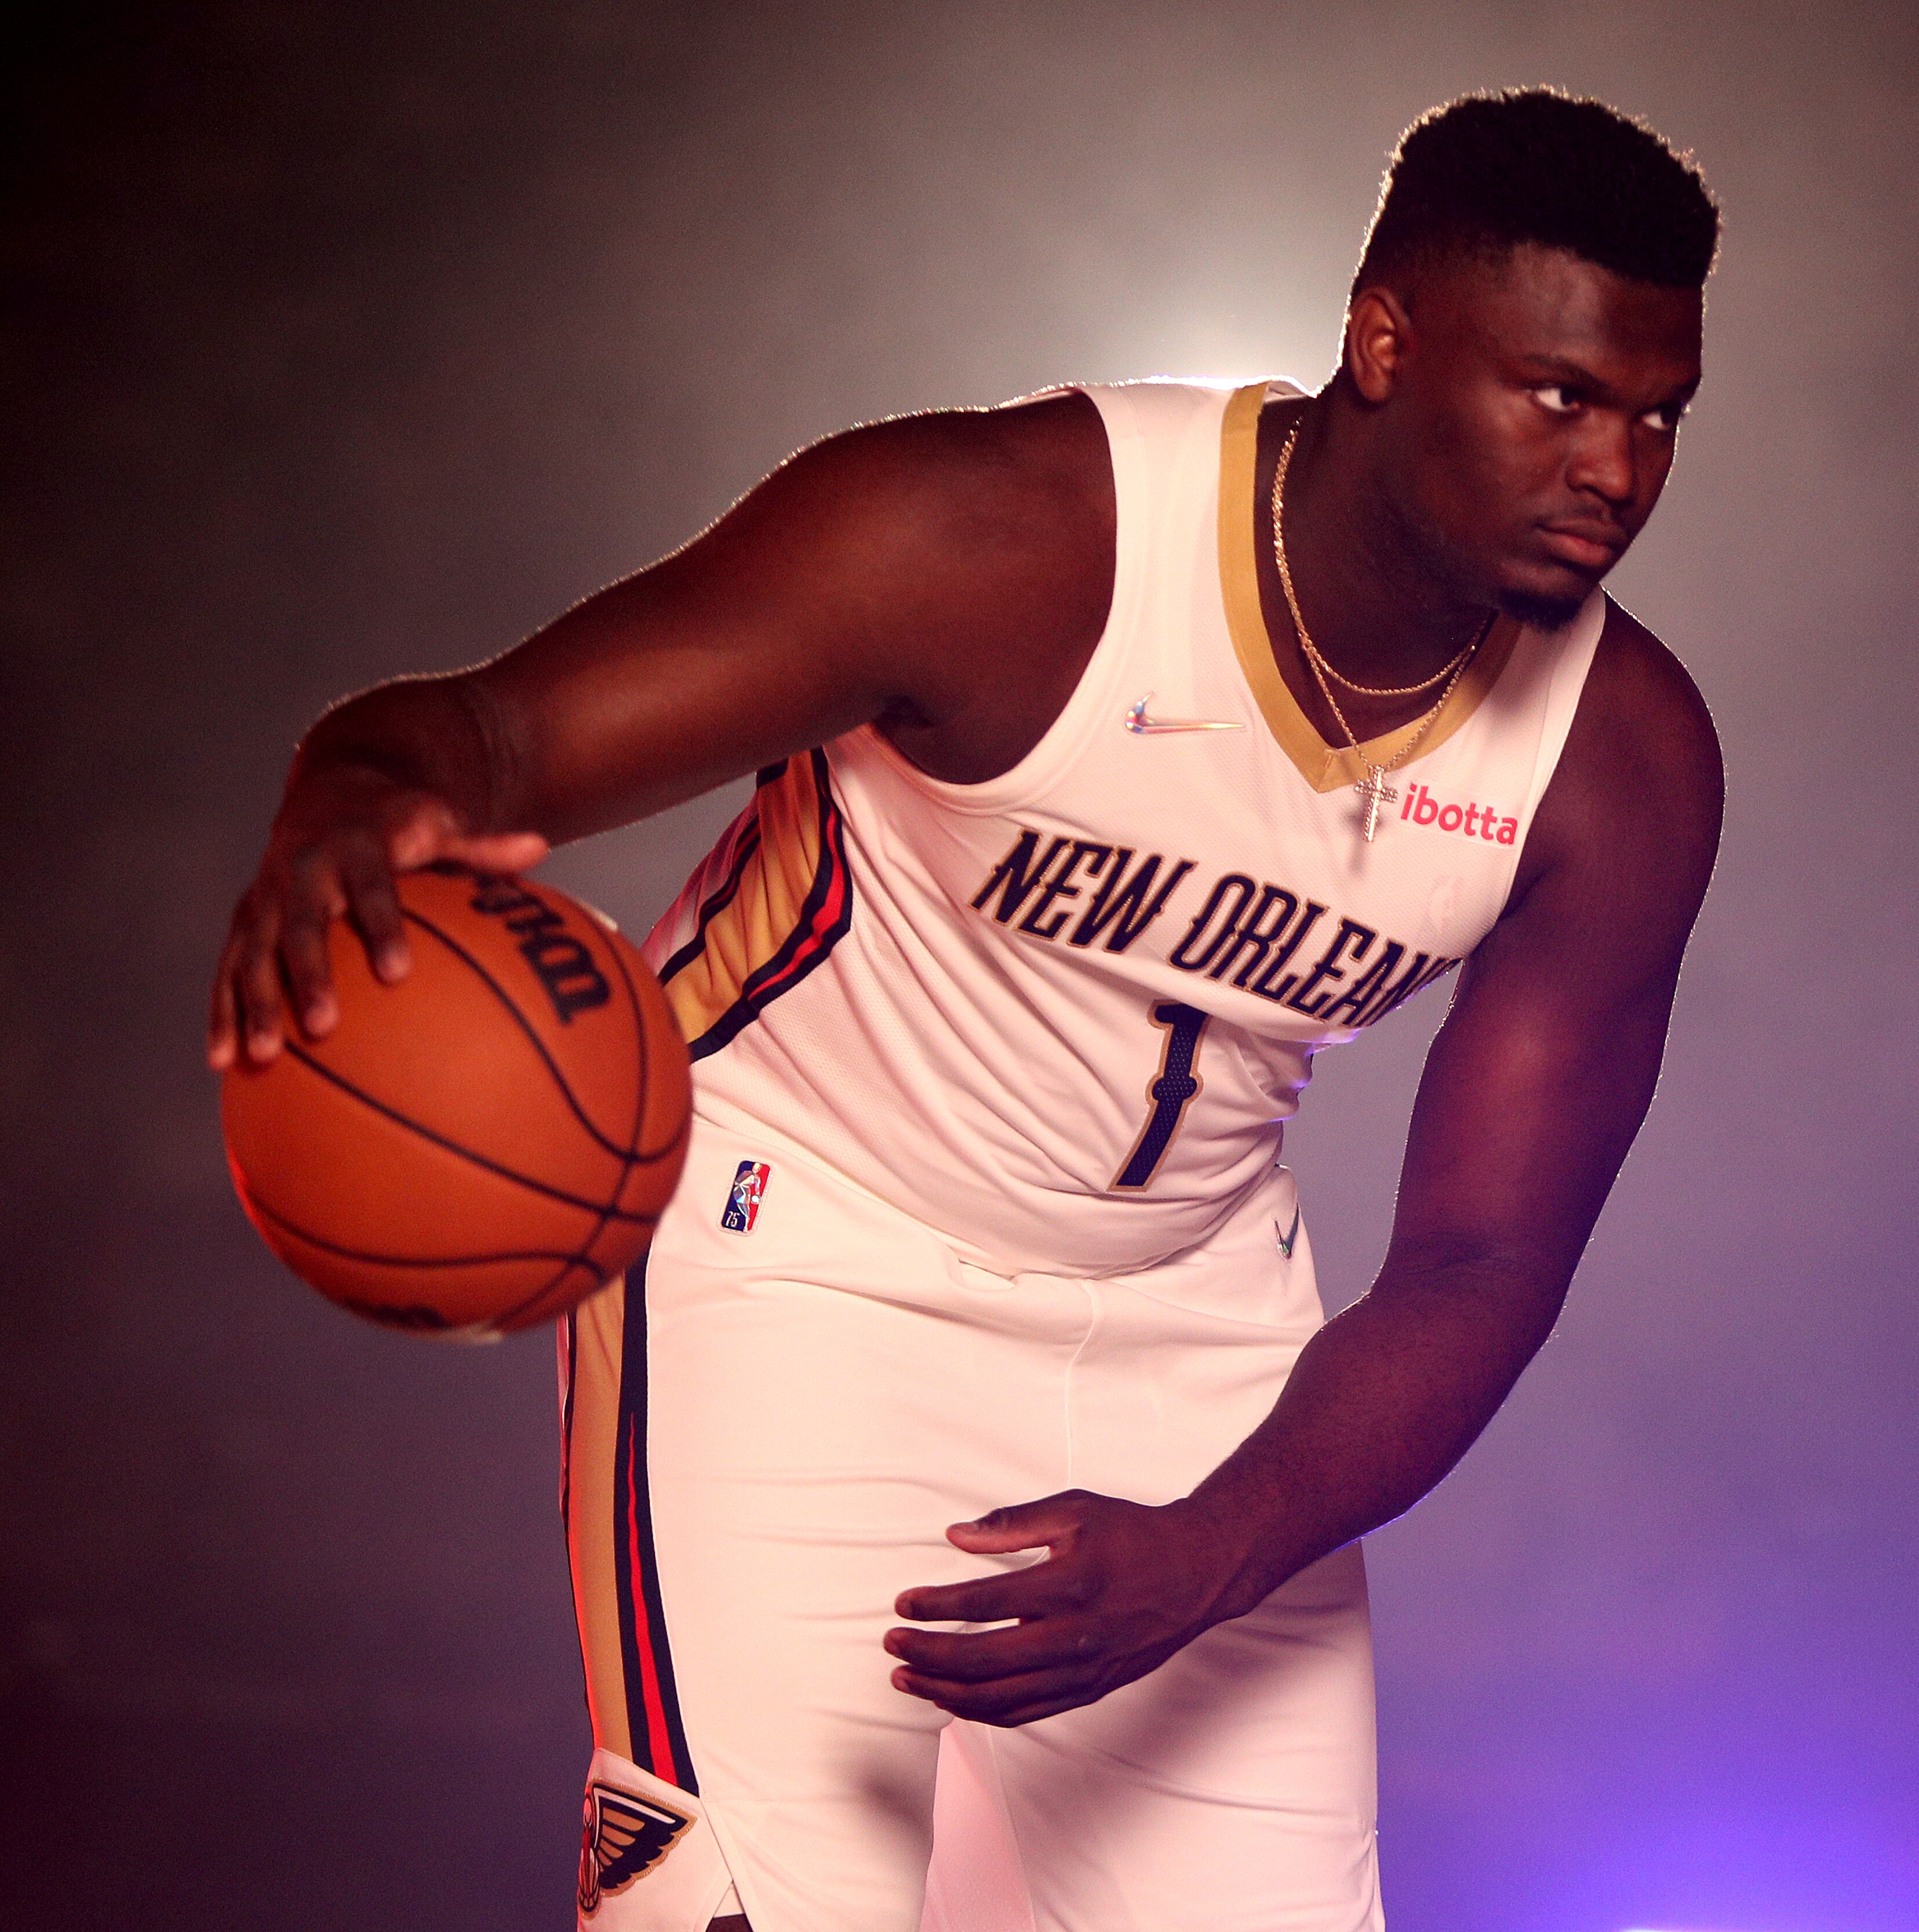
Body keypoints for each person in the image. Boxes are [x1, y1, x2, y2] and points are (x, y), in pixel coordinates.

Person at [207, 88, 1722, 1932]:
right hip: (805, 1248)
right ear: (1384, 340)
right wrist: (360, 793)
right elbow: (495, 733)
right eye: (1561, 397)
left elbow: (1484, 1262)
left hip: (1195, 1317)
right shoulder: (1013, 541)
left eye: (1659, 416)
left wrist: (1220, 1544)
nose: (1618, 472)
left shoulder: (1619, 760)